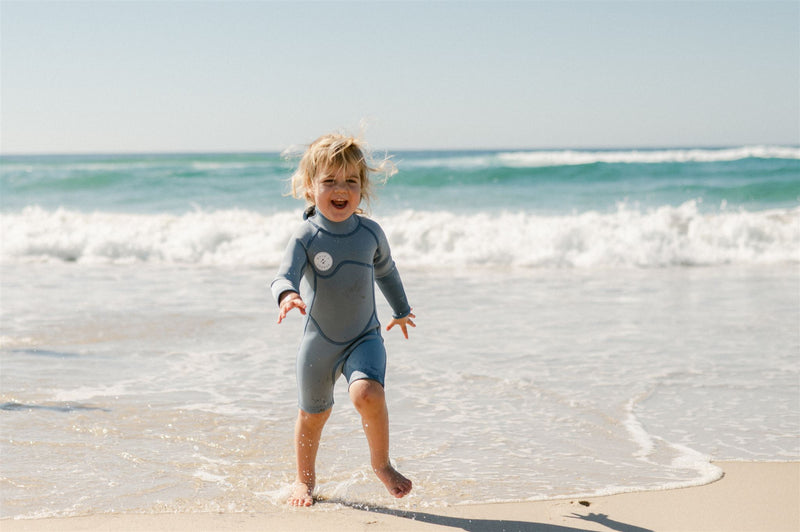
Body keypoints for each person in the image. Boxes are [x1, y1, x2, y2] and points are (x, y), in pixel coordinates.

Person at [271, 133, 415, 507]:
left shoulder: (370, 233)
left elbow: (386, 272)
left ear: (363, 188)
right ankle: (304, 483)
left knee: (368, 394)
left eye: (351, 181)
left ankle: (381, 464)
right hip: (319, 342)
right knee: (312, 415)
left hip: (364, 336)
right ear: (309, 187)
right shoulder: (306, 236)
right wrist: (288, 296)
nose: (341, 189)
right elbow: (282, 276)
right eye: (330, 181)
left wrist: (400, 310)